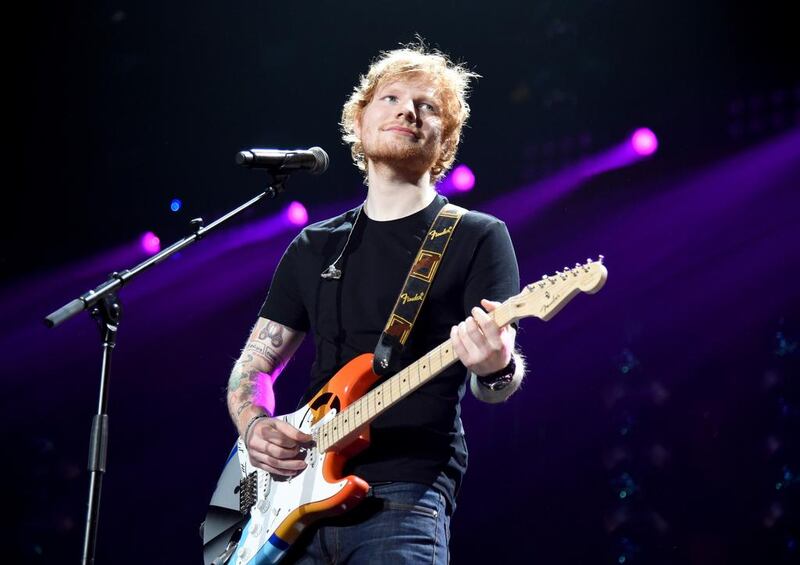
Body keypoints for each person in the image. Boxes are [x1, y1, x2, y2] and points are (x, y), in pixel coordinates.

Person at [226, 42, 526, 563]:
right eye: (390, 98)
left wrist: (496, 367)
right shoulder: (313, 245)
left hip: (405, 494)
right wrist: (253, 426)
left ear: (444, 140)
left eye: (427, 106)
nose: (407, 111)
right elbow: (254, 365)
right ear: (359, 121)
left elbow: (497, 382)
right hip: (295, 492)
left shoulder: (477, 236)